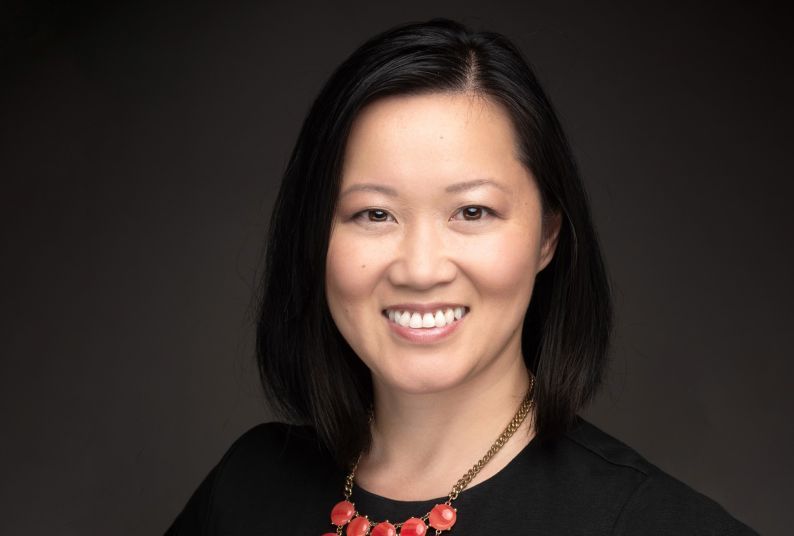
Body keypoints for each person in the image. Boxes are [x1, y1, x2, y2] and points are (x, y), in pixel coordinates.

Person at [165, 18, 756, 535]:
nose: (421, 269)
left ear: (548, 235)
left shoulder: (658, 526)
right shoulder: (248, 486)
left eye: (472, 212)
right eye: (374, 214)